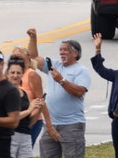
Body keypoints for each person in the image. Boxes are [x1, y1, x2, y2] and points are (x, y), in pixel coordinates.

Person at [26, 28, 91, 158]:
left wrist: (61, 80)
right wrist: (33, 38)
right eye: (60, 50)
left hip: (71, 125)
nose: (61, 52)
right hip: (50, 125)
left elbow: (79, 92)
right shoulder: (54, 65)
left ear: (75, 53)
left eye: (65, 50)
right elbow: (32, 58)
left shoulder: (81, 70)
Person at [6, 57, 44, 158]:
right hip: (9, 136)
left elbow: (29, 122)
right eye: (12, 72)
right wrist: (29, 109)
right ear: (7, 74)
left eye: (18, 73)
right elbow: (11, 118)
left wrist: (39, 109)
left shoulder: (25, 93)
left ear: (22, 74)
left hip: (25, 136)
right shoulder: (5, 93)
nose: (15, 76)